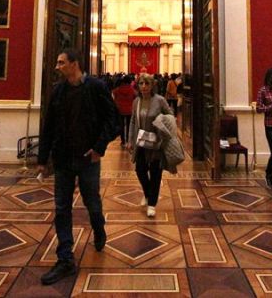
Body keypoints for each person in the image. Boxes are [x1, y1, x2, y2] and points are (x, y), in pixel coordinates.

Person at [37, 48, 117, 286]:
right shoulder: (58, 91)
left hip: (87, 158)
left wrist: (99, 148)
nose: (57, 66)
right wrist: (42, 159)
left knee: (92, 202)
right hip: (63, 159)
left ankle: (98, 227)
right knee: (62, 207)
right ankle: (65, 258)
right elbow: (49, 126)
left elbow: (112, 120)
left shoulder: (96, 87)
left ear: (74, 64)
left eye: (61, 62)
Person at [126, 73, 173, 218]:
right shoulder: (137, 101)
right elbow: (133, 121)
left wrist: (161, 123)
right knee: (140, 169)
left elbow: (170, 116)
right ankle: (147, 194)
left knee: (155, 172)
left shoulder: (160, 100)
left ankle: (152, 204)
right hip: (141, 141)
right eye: (141, 83)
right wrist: (130, 140)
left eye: (147, 84)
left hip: (156, 142)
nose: (144, 87)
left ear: (152, 86)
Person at [112, 75, 136, 147]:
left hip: (120, 109)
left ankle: (123, 141)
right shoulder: (132, 89)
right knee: (129, 125)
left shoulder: (118, 89)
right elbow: (136, 96)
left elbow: (113, 95)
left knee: (121, 126)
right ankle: (128, 140)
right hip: (130, 109)